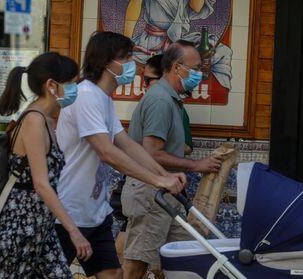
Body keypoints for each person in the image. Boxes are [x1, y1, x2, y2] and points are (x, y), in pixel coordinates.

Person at [55, 31, 186, 279]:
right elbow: (107, 152)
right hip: (68, 212)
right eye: (125, 58)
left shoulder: (103, 99)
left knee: (114, 275)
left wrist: (165, 175)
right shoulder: (85, 96)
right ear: (106, 62)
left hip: (94, 211)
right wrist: (157, 181)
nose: (132, 65)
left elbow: (127, 144)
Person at [122, 40, 223, 279]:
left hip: (166, 195)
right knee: (138, 263)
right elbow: (152, 153)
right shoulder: (160, 101)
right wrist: (197, 165)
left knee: (185, 258)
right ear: (177, 68)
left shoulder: (171, 99)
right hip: (151, 194)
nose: (200, 74)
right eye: (196, 68)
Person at [0, 52, 92, 278]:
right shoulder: (34, 121)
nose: (75, 89)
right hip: (22, 226)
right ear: (51, 85)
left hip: (41, 226)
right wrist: (73, 231)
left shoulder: (47, 119)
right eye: (72, 83)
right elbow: (41, 184)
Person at [114, 0, 233, 90]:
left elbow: (196, 7)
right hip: (151, 40)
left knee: (220, 52)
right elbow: (135, 4)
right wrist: (126, 40)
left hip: (179, 40)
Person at [144, 54, 194, 154]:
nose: (144, 85)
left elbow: (187, 148)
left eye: (147, 80)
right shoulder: (155, 102)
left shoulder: (164, 103)